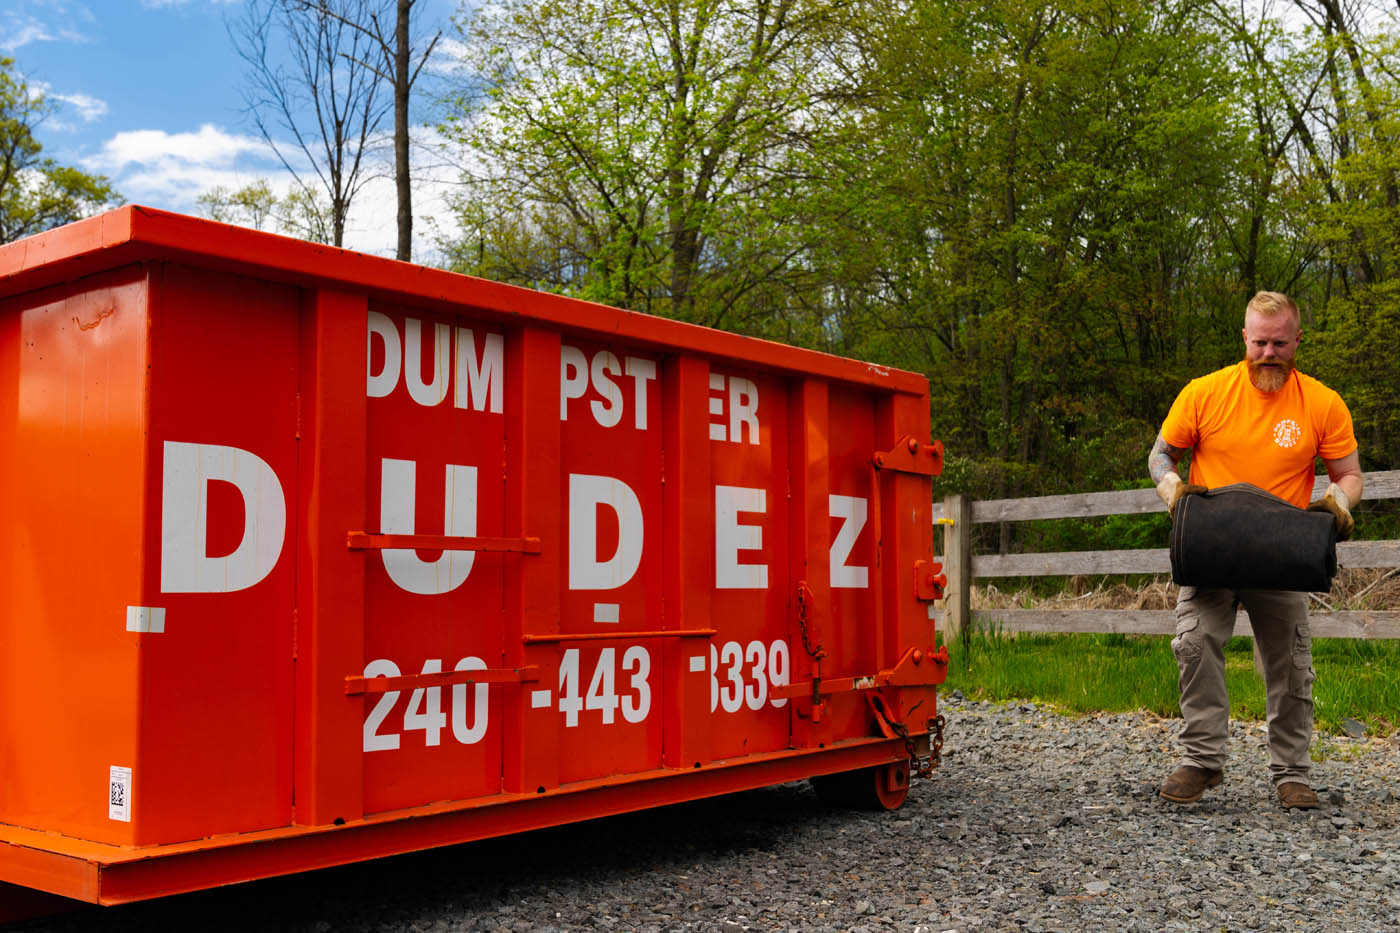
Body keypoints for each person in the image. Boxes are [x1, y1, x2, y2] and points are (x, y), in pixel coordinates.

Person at [1148, 290, 1362, 810]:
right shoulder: (1204, 392)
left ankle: (1291, 773)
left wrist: (1336, 505)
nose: (1269, 353)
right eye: (1260, 342)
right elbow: (1161, 454)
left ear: (1297, 340)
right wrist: (1173, 490)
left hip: (1282, 552)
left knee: (1290, 663)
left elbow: (1350, 473)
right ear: (1245, 337)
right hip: (1210, 548)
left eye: (1280, 343)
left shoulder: (1323, 402)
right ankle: (1201, 761)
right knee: (1195, 645)